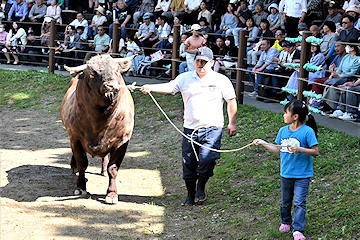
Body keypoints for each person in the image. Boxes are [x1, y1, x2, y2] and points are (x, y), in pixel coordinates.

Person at [138, 46, 237, 206]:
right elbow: (170, 87)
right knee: (188, 163)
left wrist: (232, 122)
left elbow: (231, 100)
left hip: (212, 128)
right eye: (198, 61)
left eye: (204, 62)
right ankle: (190, 194)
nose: (201, 65)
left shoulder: (221, 80)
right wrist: (151, 87)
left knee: (208, 160)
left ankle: (201, 188)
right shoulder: (185, 78)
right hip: (190, 128)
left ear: (212, 63)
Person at [253, 100, 319, 240]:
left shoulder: (308, 131)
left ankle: (298, 230)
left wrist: (300, 149)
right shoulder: (283, 131)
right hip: (286, 173)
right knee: (285, 201)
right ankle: (286, 222)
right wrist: (263, 142)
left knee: (299, 202)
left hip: (302, 175)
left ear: (295, 116)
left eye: (286, 112)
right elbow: (278, 150)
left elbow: (315, 151)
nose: (284, 115)